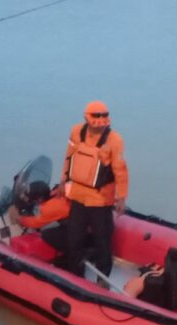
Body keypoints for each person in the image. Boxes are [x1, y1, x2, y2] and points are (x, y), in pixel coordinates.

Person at [57, 101, 129, 280]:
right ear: (87, 117)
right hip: (78, 196)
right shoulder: (76, 132)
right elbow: (69, 157)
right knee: (74, 239)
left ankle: (103, 280)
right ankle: (75, 275)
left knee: (102, 241)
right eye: (96, 116)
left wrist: (121, 197)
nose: (100, 119)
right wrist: (62, 181)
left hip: (101, 200)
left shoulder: (114, 140)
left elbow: (120, 169)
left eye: (104, 115)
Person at [9, 181, 71, 254]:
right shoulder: (56, 192)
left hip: (76, 228)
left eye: (34, 200)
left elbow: (36, 223)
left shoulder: (50, 208)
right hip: (78, 219)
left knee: (47, 234)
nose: (34, 203)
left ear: (40, 199)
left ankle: (72, 256)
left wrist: (19, 218)